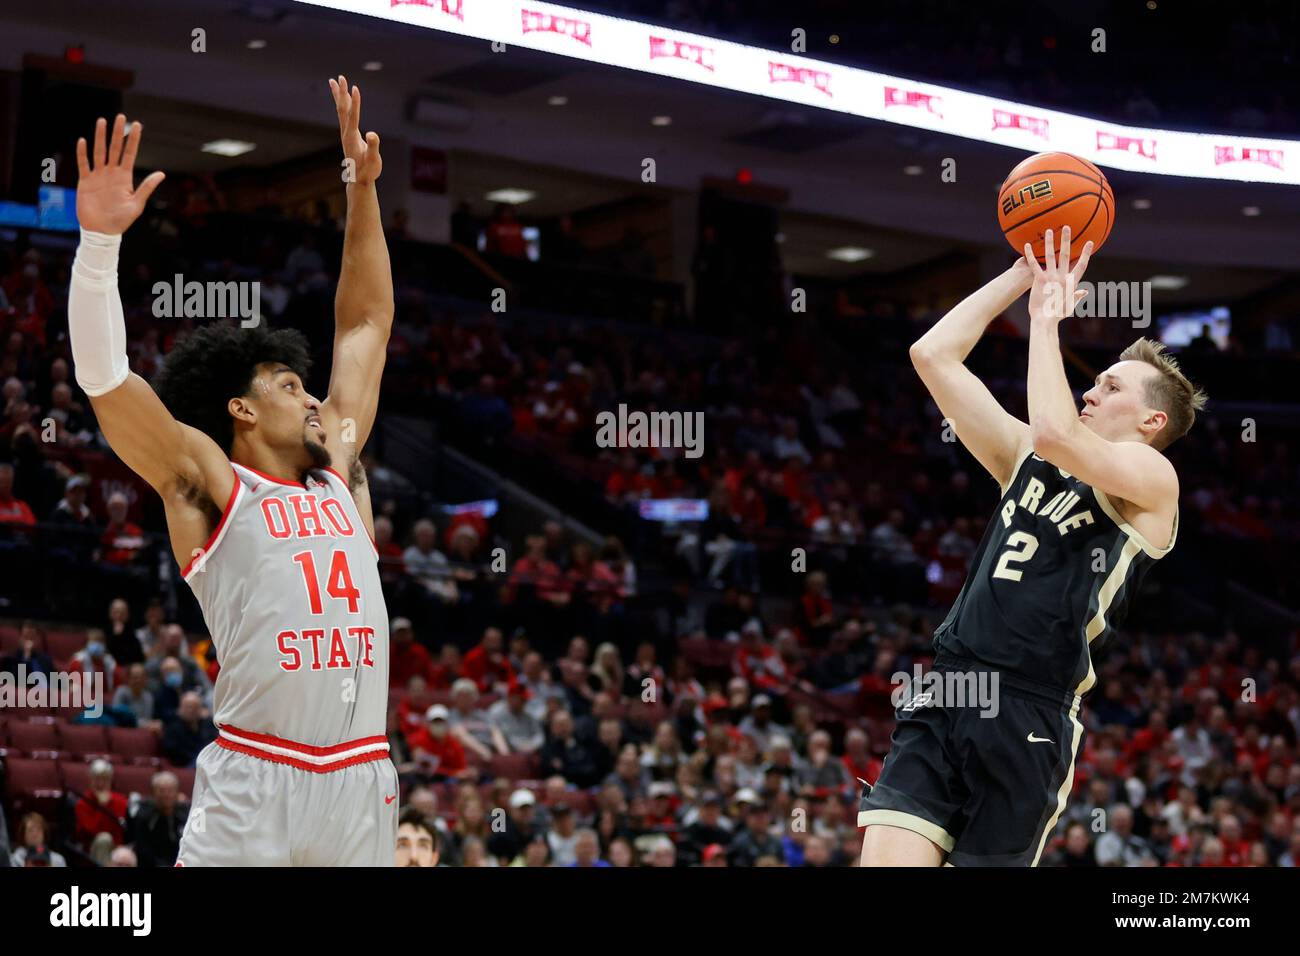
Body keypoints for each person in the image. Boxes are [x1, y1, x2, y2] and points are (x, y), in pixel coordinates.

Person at [67, 79, 397, 865]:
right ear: (241, 413)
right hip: (258, 776)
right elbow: (108, 384)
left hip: (361, 781)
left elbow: (364, 322)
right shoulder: (211, 483)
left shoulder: (339, 465)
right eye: (288, 386)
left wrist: (361, 188)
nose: (313, 396)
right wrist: (99, 247)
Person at [860, 229, 1207, 867]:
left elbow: (1054, 431)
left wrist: (1046, 322)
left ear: (1152, 422)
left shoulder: (1154, 482)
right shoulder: (1025, 454)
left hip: (1031, 712)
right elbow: (933, 354)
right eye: (1095, 382)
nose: (1091, 392)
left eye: (1110, 387)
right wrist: (1025, 273)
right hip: (952, 686)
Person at [127, 771, 188, 867]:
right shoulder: (144, 815)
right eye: (161, 791)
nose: (166, 795)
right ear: (153, 793)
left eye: (170, 790)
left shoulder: (186, 813)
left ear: (177, 793)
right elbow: (142, 849)